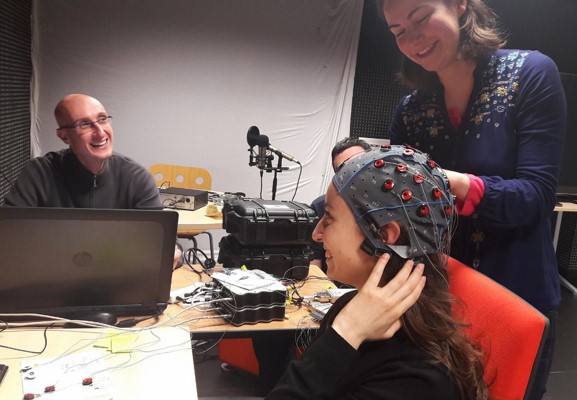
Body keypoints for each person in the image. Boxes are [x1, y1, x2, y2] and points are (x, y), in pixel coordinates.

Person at [379, 1, 566, 398]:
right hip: (438, 299)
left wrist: (448, 183)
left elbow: (535, 197)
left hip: (517, 295)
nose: (412, 39)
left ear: (461, 5)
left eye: (421, 17)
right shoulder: (411, 110)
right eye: (398, 32)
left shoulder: (530, 73)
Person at [267, 145, 488, 400]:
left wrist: (346, 332)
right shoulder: (353, 307)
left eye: (329, 218)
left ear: (383, 235)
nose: (317, 233)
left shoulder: (415, 380)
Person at [3, 93, 182, 268]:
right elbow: (8, 236)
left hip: (119, 288)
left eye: (102, 119)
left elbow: (162, 242)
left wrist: (172, 252)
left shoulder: (136, 178)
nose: (100, 131)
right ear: (64, 136)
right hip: (48, 283)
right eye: (84, 124)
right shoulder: (39, 173)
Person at [309, 137, 372, 272]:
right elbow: (314, 263)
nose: (353, 174)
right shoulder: (320, 206)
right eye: (344, 169)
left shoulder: (391, 210)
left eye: (358, 164)